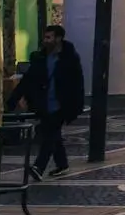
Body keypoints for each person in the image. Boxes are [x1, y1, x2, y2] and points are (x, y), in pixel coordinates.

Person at [8, 25, 85, 178]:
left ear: (58, 38)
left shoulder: (70, 58)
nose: (46, 40)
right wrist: (14, 99)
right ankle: (62, 164)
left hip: (62, 104)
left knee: (50, 134)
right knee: (51, 134)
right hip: (44, 103)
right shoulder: (41, 58)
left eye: (49, 37)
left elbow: (77, 84)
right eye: (45, 37)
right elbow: (28, 79)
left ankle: (38, 166)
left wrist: (75, 105)